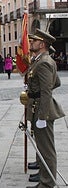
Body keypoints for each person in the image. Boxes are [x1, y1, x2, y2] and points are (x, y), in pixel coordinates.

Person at [26, 29, 65, 188]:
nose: (31, 43)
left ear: (42, 44)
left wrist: (42, 116)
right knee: (42, 147)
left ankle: (47, 183)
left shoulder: (44, 62)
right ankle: (44, 178)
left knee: (46, 149)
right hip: (38, 106)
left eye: (34, 41)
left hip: (43, 110)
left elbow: (47, 90)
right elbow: (56, 82)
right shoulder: (42, 60)